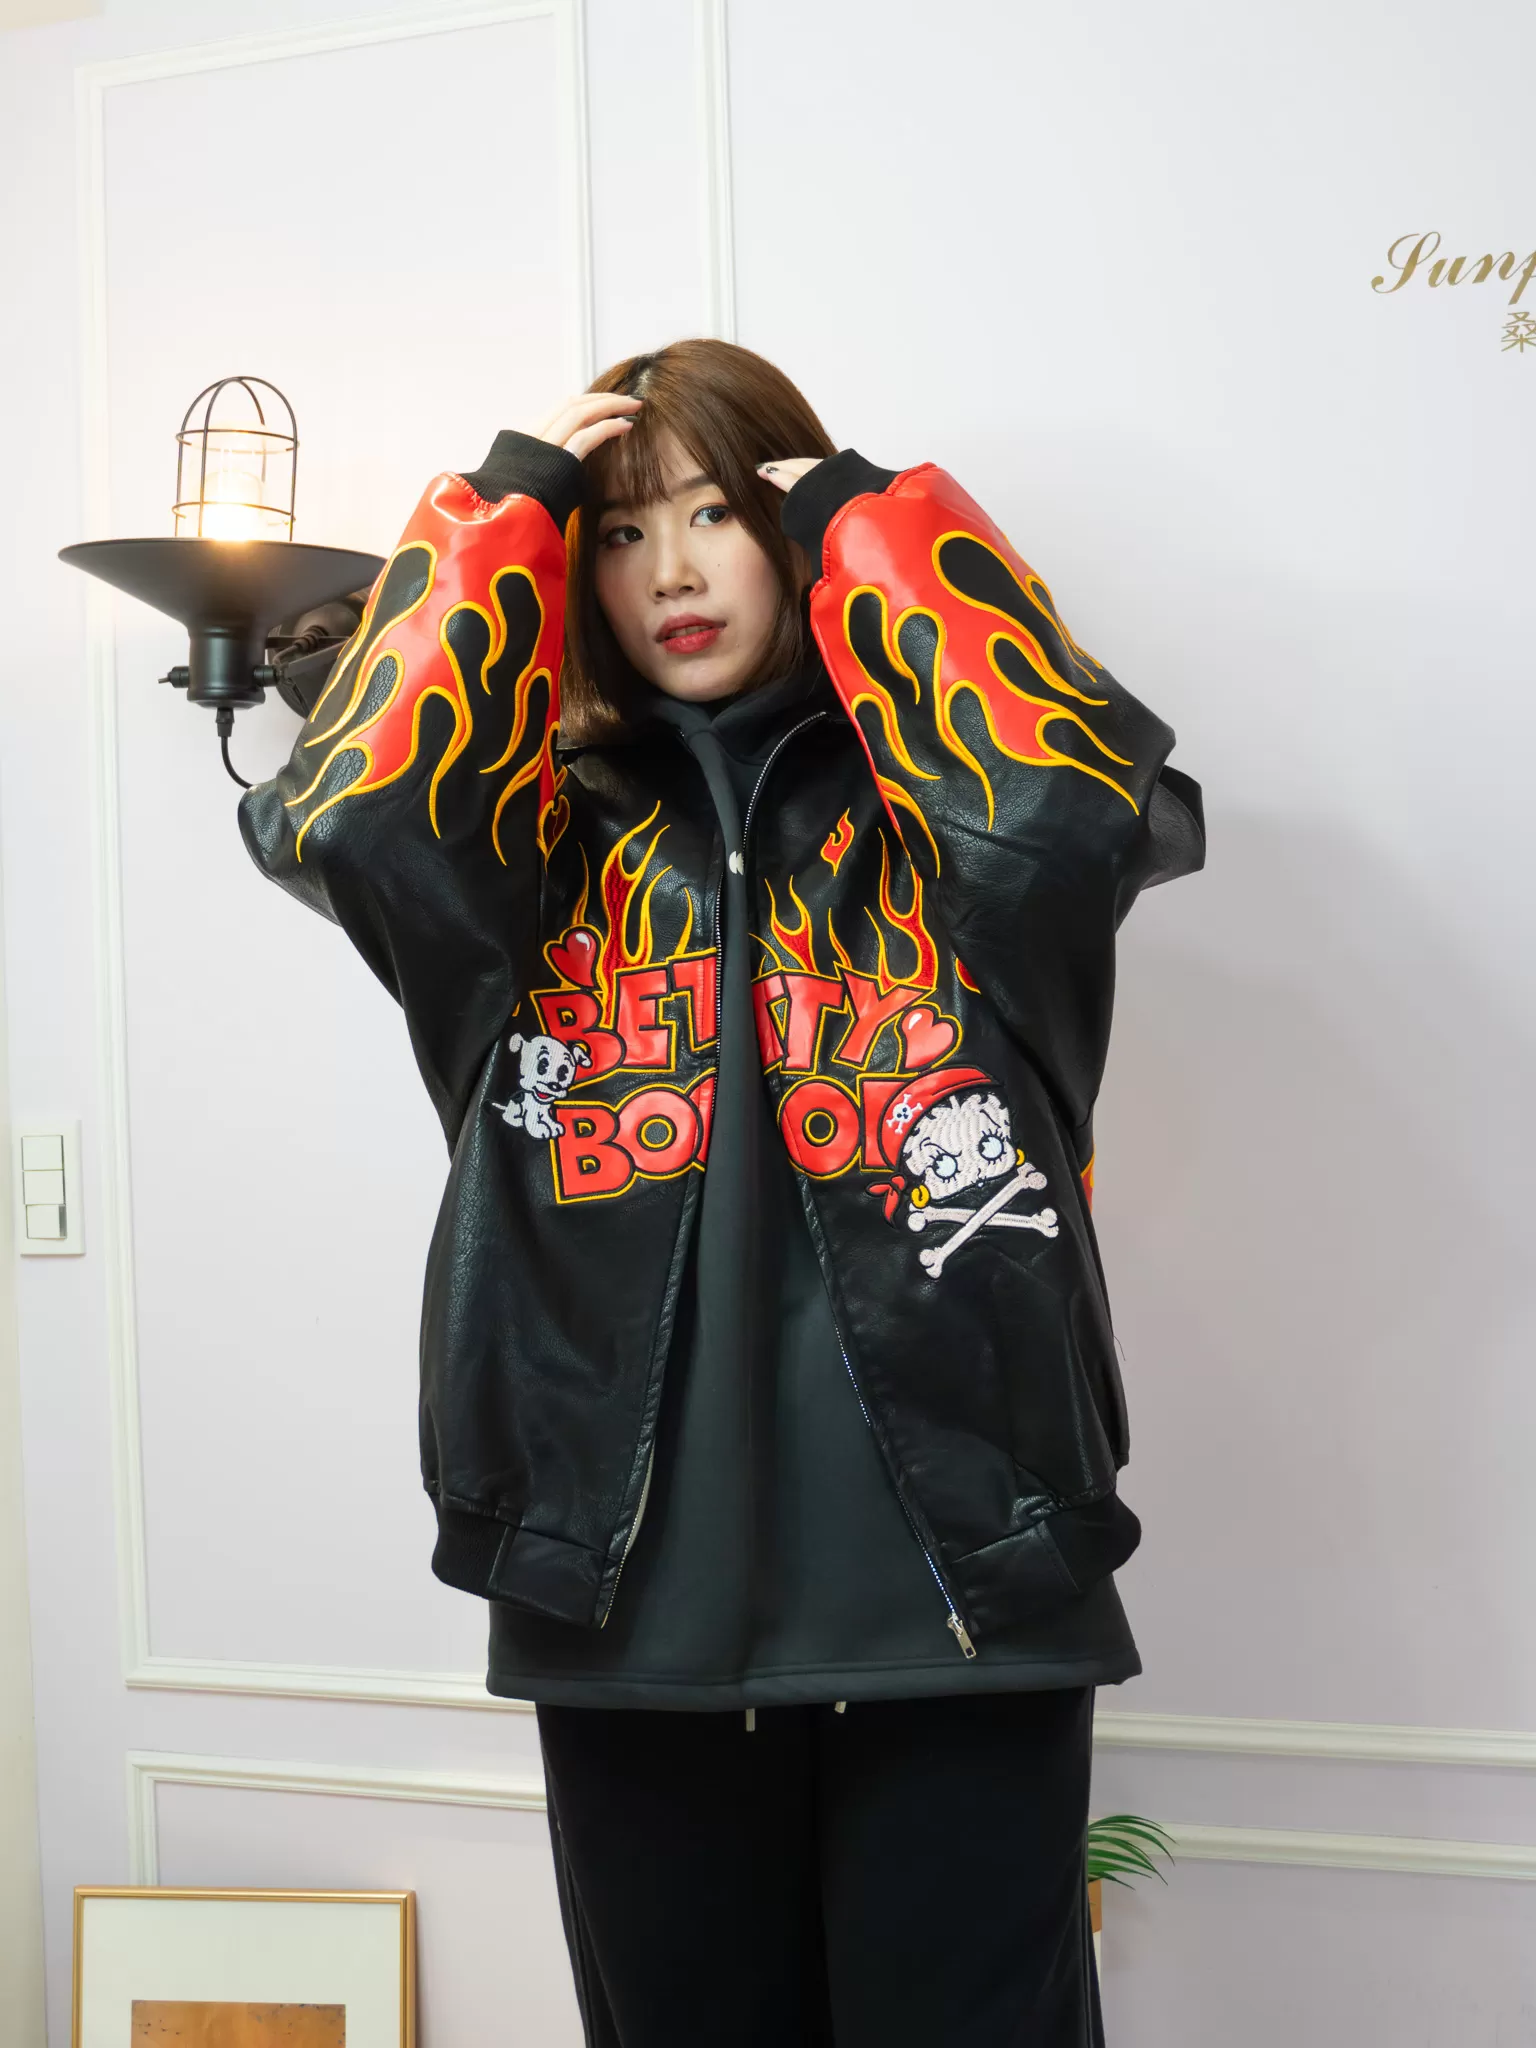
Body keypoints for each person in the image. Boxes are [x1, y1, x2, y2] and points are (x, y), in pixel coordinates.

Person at [239, 337, 1205, 2045]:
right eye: (618, 534)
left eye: (713, 515)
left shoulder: (949, 830)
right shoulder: (525, 849)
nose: (670, 572)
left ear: (794, 535)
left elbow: (1073, 805)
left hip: (966, 1580)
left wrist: (874, 521)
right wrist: (502, 507)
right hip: (624, 1599)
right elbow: (354, 819)